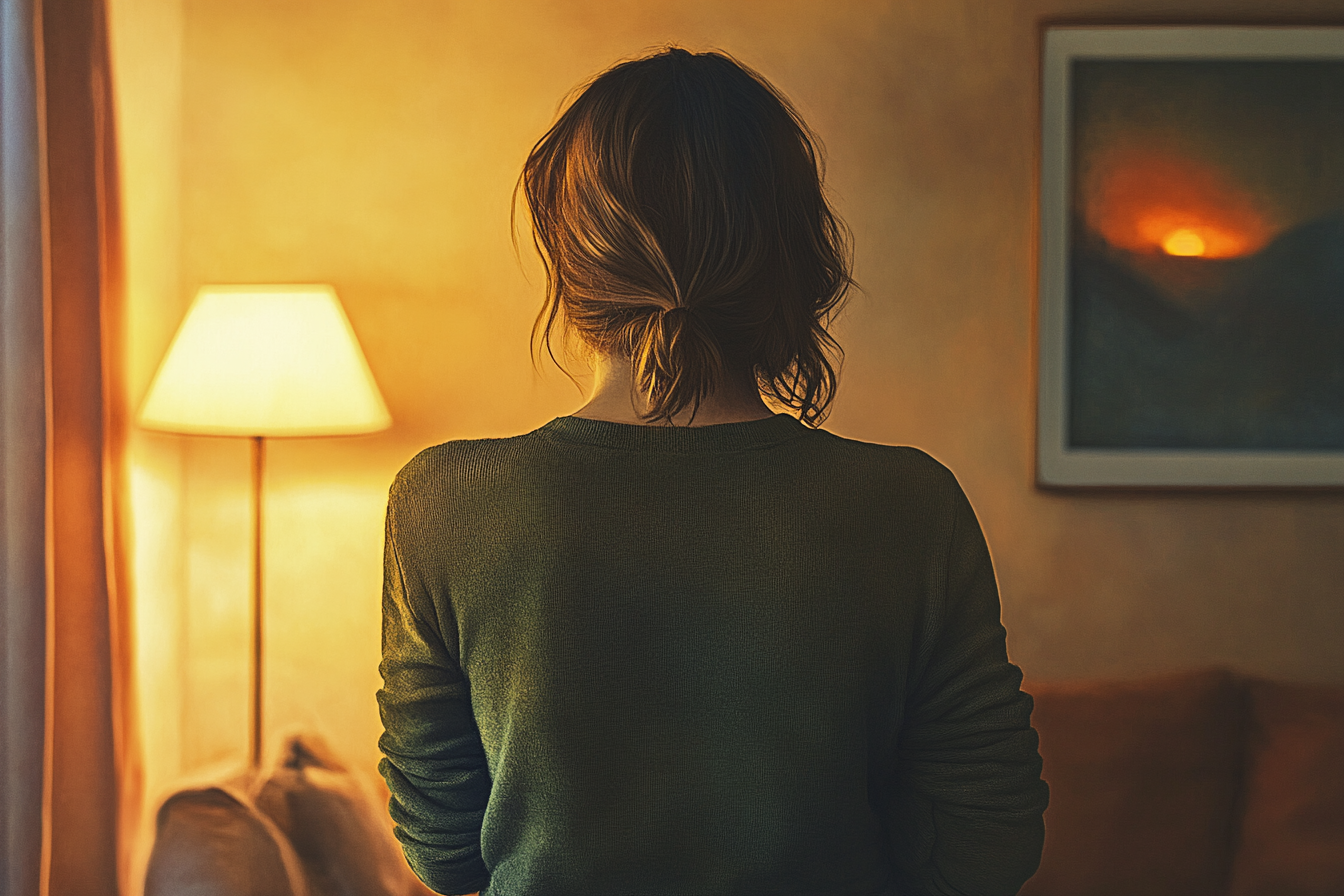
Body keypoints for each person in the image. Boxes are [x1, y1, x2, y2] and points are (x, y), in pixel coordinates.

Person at [377, 46, 1049, 896]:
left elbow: (444, 851)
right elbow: (989, 846)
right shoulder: (910, 505)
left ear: (570, 259)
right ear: (794, 260)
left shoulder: (441, 503)